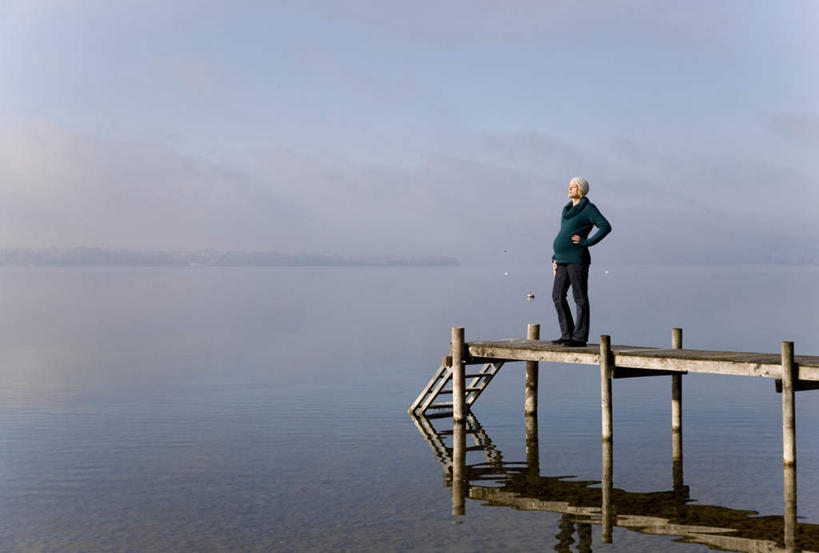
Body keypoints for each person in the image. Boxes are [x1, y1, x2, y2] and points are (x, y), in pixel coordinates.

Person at [551, 177, 611, 347]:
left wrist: (586, 242)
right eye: (569, 185)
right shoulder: (567, 210)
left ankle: (579, 337)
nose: (569, 188)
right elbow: (563, 233)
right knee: (557, 295)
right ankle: (567, 334)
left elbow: (605, 226)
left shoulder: (589, 209)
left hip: (577, 259)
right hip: (561, 259)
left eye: (573, 186)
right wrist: (555, 257)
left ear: (581, 189)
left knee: (580, 297)